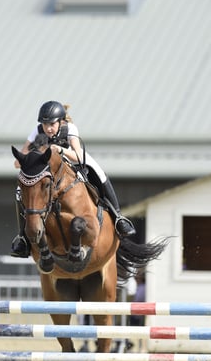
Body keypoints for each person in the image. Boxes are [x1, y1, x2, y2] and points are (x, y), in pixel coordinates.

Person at [10, 101, 136, 258]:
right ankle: (22, 237)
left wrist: (59, 150)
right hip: (48, 170)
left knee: (99, 172)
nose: (48, 128)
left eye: (51, 124)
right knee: (19, 191)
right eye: (44, 124)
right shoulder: (36, 131)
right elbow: (18, 162)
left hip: (72, 161)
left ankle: (118, 217)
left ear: (60, 121)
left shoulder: (70, 129)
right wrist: (30, 156)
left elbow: (78, 154)